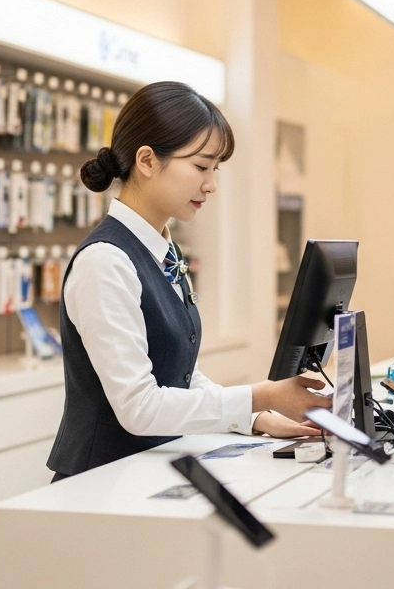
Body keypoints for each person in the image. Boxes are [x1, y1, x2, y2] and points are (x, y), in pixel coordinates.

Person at [47, 82, 329, 481]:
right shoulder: (105, 262)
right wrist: (260, 395)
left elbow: (177, 373)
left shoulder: (163, 249)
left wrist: (255, 417)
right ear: (146, 160)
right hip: (100, 482)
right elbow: (139, 406)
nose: (211, 183)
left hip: (146, 472)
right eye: (200, 166)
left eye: (216, 169)